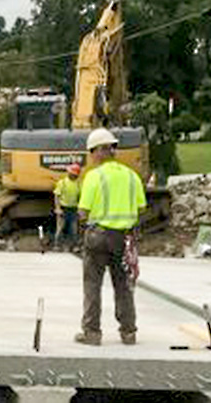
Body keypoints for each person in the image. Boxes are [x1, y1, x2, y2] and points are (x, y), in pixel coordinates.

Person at [75, 128, 146, 346]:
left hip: (98, 236)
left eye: (91, 152)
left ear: (97, 151)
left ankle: (92, 333)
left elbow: (83, 211)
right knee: (124, 285)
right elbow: (141, 208)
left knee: (92, 284)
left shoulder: (94, 177)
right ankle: (128, 332)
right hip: (123, 239)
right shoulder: (132, 176)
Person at [53, 163, 84, 249]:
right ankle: (57, 245)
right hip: (63, 208)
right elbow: (57, 196)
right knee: (60, 228)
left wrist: (80, 209)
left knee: (74, 229)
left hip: (73, 209)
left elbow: (81, 197)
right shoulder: (62, 183)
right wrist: (58, 208)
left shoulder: (79, 184)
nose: (74, 176)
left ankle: (75, 246)